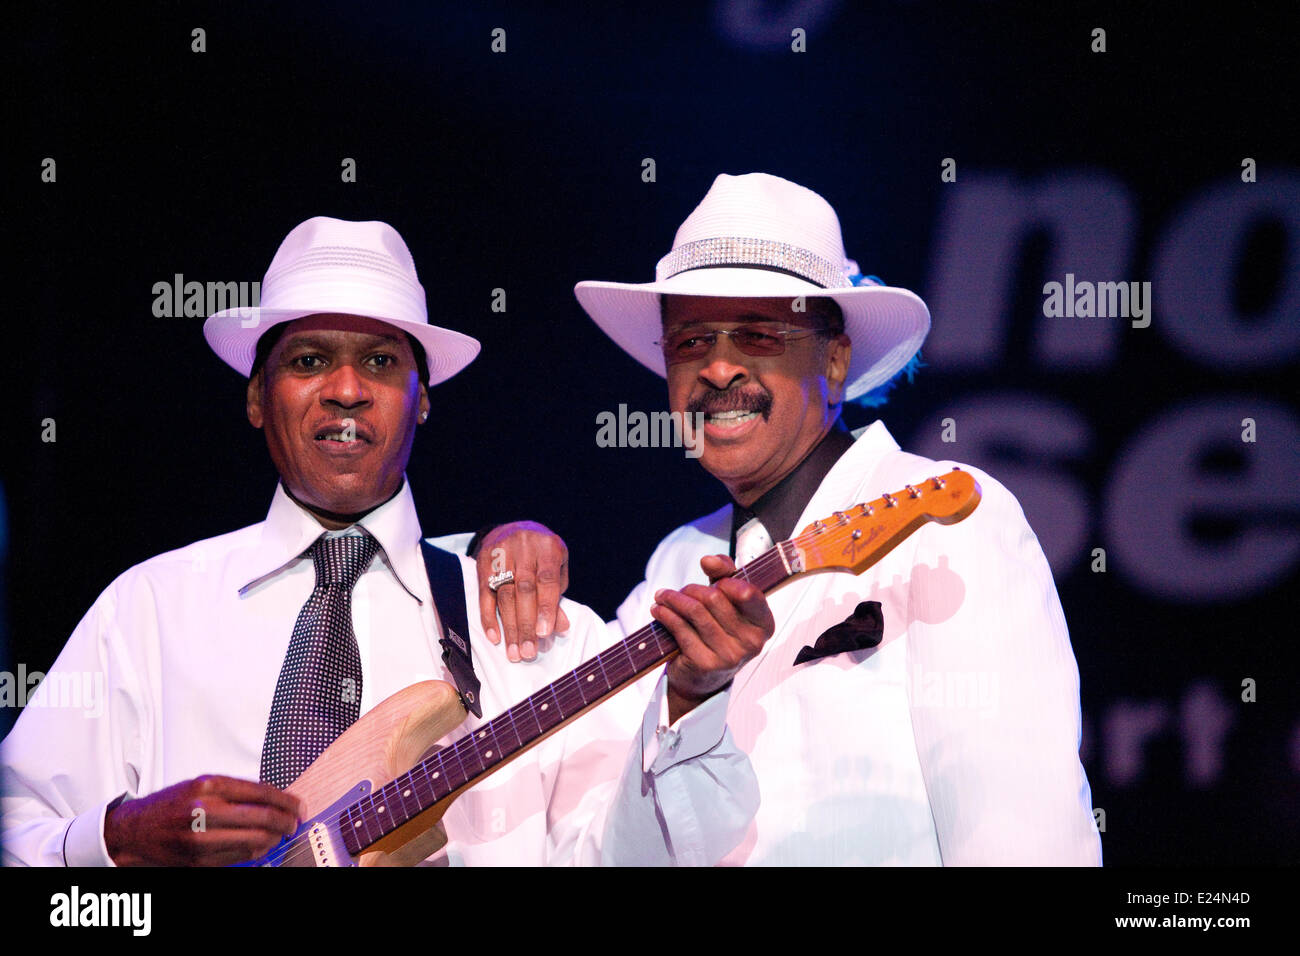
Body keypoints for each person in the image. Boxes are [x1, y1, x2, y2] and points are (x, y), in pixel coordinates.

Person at [1, 216, 767, 866]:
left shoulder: (533, 626)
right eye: (309, 361)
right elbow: (17, 827)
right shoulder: (150, 608)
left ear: (422, 398)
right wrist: (118, 838)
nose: (345, 389)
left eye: (379, 361)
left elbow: (637, 855)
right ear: (257, 398)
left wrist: (693, 701)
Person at [468, 173, 1104, 865]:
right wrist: (496, 545)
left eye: (757, 335)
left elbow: (1023, 835)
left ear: (835, 360)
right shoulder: (673, 564)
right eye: (690, 342)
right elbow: (610, 852)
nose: (718, 369)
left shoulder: (944, 520)